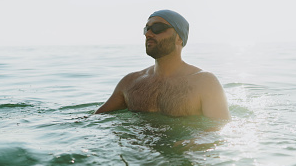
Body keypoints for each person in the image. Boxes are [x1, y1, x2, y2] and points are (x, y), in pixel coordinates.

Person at [95, 9, 230, 120]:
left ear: (179, 38)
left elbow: (219, 128)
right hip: (137, 150)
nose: (148, 34)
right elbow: (96, 119)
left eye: (157, 28)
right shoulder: (130, 82)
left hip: (182, 151)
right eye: (146, 29)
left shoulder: (204, 82)